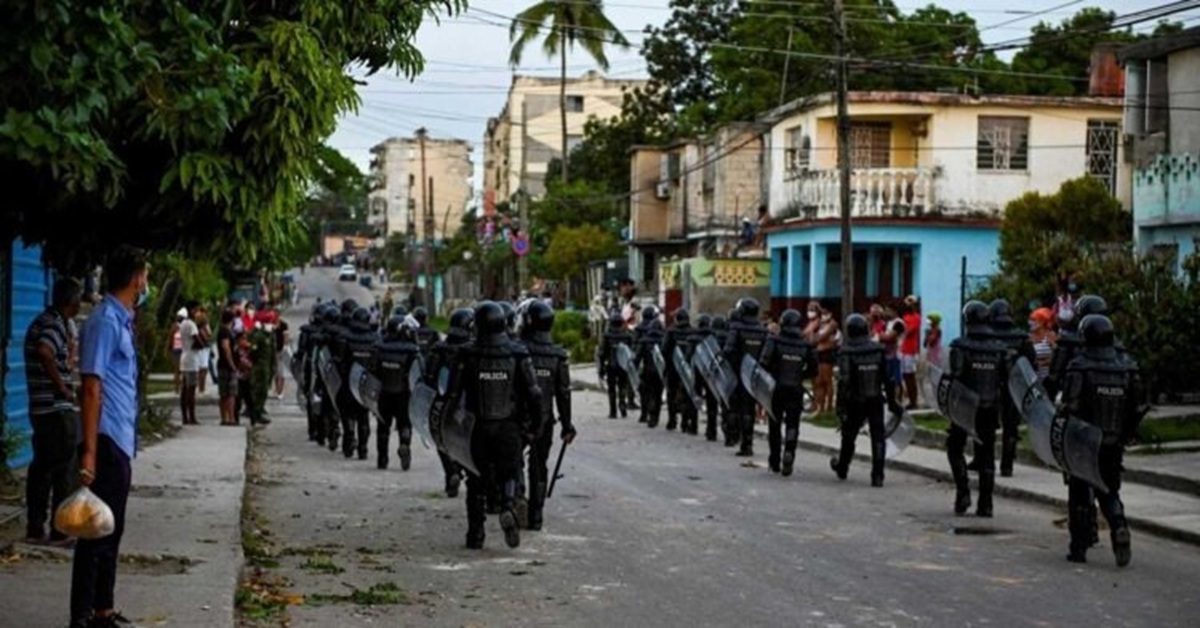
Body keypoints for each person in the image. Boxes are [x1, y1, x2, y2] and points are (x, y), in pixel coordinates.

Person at [72, 245, 148, 628]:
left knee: (110, 526)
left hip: (118, 438)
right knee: (95, 532)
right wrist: (88, 451)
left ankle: (103, 609)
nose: (146, 282)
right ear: (137, 278)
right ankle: (83, 615)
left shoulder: (121, 320)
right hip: (103, 439)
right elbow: (90, 386)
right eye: (145, 275)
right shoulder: (104, 321)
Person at [446, 301, 542, 550]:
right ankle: (508, 505)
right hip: (508, 426)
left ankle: (475, 535)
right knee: (509, 472)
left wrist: (447, 426)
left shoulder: (466, 353)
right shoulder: (518, 352)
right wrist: (536, 425)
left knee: (475, 481)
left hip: (476, 427)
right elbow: (534, 393)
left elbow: (453, 395)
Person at [1062, 314, 1145, 567]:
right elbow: (1137, 407)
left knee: (1079, 491)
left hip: (1084, 441)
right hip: (1113, 442)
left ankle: (1079, 547)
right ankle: (1119, 524)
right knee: (1109, 489)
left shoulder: (1080, 365)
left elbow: (1071, 406)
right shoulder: (1127, 367)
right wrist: (1127, 432)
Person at [24, 278, 83, 547]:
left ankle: (36, 528)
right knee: (64, 470)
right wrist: (63, 388)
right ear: (72, 301)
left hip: (40, 407)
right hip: (55, 408)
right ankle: (60, 530)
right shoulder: (54, 323)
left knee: (42, 469)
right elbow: (45, 351)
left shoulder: (41, 321)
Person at [946, 301, 1008, 517]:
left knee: (954, 448)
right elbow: (1006, 380)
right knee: (987, 454)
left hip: (965, 406)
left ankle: (963, 492)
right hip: (990, 408)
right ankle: (986, 503)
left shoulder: (960, 346)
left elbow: (956, 376)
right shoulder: (1000, 350)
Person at [519, 301, 576, 531]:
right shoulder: (558, 356)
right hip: (545, 420)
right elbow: (563, 393)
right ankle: (536, 516)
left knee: (514, 462)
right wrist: (567, 424)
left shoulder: (519, 350)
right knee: (539, 465)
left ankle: (517, 499)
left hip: (519, 419)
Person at [830, 313, 898, 486]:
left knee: (849, 436)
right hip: (875, 398)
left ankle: (843, 467)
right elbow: (887, 379)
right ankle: (878, 474)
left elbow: (844, 382)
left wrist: (840, 407)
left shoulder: (846, 351)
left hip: (855, 400)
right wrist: (892, 402)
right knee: (878, 436)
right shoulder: (878, 349)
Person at [424, 308, 475, 497]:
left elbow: (428, 378)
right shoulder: (473, 351)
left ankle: (451, 473)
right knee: (466, 443)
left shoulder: (438, 349)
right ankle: (464, 473)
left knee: (442, 441)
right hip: (466, 407)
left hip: (441, 404)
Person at [759, 309, 817, 476]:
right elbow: (814, 369)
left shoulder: (774, 340)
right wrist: (800, 375)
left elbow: (763, 361)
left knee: (774, 424)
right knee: (793, 423)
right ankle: (789, 451)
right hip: (796, 388)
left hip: (776, 387)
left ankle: (775, 460)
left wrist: (773, 372)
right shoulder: (806, 345)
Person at [986, 299, 1036, 477]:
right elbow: (1031, 364)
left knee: (987, 425)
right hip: (1015, 387)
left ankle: (986, 463)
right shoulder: (1021, 338)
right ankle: (1007, 466)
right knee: (1011, 425)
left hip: (991, 385)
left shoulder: (989, 336)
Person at [371, 314, 421, 470]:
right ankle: (405, 444)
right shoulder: (412, 351)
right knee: (405, 424)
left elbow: (373, 371)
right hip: (404, 395)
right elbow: (418, 374)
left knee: (383, 427)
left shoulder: (380, 348)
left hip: (384, 394)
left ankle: (382, 460)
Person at [724, 298, 769, 457]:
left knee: (734, 406)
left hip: (737, 373)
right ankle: (748, 444)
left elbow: (728, 350)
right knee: (749, 409)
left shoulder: (736, 327)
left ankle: (733, 436)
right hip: (754, 376)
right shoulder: (763, 330)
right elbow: (766, 355)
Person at [336, 307, 378, 459]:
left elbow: (339, 362)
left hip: (347, 384)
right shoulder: (374, 339)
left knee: (347, 414)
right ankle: (363, 448)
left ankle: (349, 439)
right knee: (363, 416)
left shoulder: (345, 337)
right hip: (365, 385)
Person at [662, 308, 698, 434]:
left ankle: (672, 421)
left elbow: (664, 349)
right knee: (688, 394)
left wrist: (666, 365)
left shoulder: (671, 331)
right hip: (689, 368)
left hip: (673, 368)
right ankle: (685, 422)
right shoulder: (694, 332)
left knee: (671, 394)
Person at [598, 312, 634, 419]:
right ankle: (622, 403)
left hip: (611, 365)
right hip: (623, 365)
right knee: (622, 386)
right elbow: (630, 352)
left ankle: (613, 411)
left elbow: (602, 353)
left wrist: (601, 368)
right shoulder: (627, 335)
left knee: (612, 388)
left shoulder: (607, 335)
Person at [634, 312, 666, 428]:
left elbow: (637, 357)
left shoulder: (644, 340)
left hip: (647, 372)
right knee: (657, 395)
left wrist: (634, 369)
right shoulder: (664, 340)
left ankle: (645, 413)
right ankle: (655, 417)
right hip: (660, 372)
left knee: (645, 393)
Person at [692, 314, 721, 441]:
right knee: (712, 402)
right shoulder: (715, 337)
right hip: (711, 373)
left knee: (695, 397)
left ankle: (693, 426)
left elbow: (689, 355)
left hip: (698, 372)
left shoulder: (693, 337)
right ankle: (712, 430)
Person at [711, 314, 734, 444]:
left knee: (720, 403)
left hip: (719, 374)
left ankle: (715, 430)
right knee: (732, 405)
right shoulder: (730, 336)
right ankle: (735, 434)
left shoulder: (713, 338)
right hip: (733, 375)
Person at [813, 307, 840, 414]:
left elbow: (821, 338)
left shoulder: (833, 324)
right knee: (818, 381)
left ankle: (829, 406)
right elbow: (813, 337)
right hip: (819, 353)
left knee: (827, 380)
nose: (823, 315)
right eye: (822, 313)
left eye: (825, 313)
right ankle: (820, 406)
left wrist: (818, 339)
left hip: (827, 354)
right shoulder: (821, 324)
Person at [177, 306, 199, 426]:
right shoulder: (192, 324)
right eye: (196, 310)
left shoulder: (183, 324)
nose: (198, 313)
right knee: (191, 390)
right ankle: (192, 417)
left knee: (184, 389)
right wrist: (203, 344)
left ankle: (185, 417)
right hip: (192, 359)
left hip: (184, 356)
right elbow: (197, 339)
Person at [217, 309, 240, 426]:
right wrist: (232, 365)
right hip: (227, 366)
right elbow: (226, 348)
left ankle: (224, 417)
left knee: (224, 393)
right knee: (230, 393)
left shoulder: (225, 331)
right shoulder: (225, 332)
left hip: (223, 365)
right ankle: (230, 418)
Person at [900, 298, 922, 409]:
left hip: (910, 350)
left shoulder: (916, 318)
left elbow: (907, 331)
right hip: (903, 349)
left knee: (910, 376)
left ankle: (914, 401)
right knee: (905, 375)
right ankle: (910, 399)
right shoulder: (905, 317)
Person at [1029, 307, 1056, 381]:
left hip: (1047, 376)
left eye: (1034, 320)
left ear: (1042, 322)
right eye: (1030, 320)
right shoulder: (1029, 337)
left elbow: (1056, 354)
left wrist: (1044, 362)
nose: (1031, 322)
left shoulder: (1050, 335)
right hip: (1032, 376)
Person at [192, 305, 212, 396]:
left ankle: (201, 388)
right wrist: (208, 337)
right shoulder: (203, 323)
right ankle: (201, 388)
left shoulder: (197, 323)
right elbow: (209, 333)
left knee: (202, 368)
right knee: (203, 368)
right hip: (204, 347)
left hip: (201, 347)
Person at [272, 305, 289, 399]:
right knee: (275, 372)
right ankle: (277, 388)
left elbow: (285, 336)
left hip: (280, 350)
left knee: (280, 371)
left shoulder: (283, 325)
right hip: (272, 351)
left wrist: (285, 346)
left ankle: (280, 391)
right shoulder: (270, 324)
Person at [167, 310, 184, 395]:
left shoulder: (185, 326)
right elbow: (170, 338)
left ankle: (182, 387)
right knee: (177, 370)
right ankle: (177, 388)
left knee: (183, 370)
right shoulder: (174, 326)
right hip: (176, 350)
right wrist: (168, 349)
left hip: (183, 350)